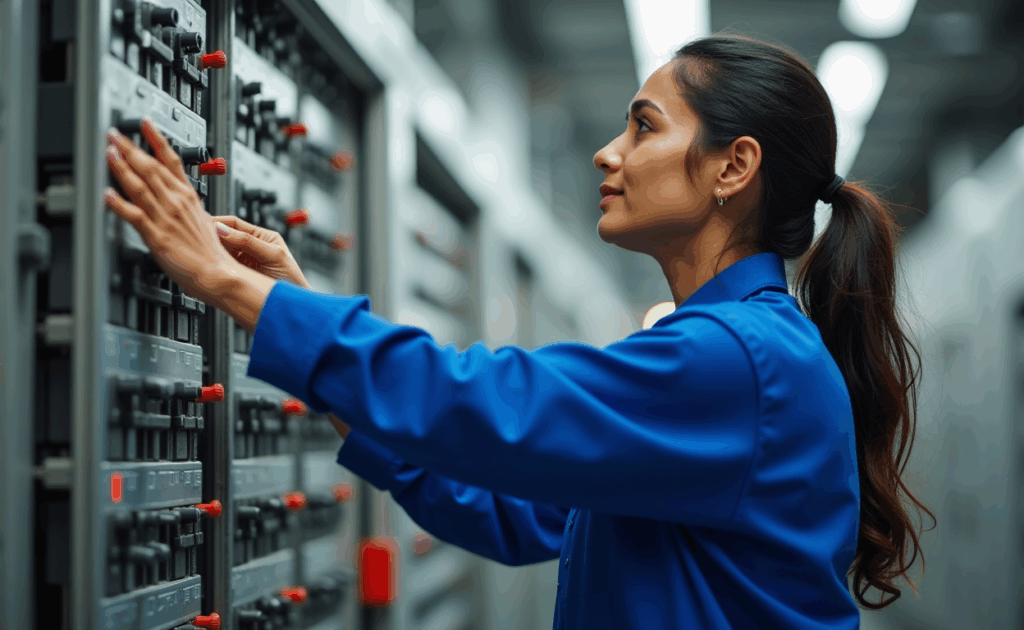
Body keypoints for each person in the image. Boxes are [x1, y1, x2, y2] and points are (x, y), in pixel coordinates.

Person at [103, 32, 933, 630]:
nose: (610, 153)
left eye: (644, 126)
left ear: (732, 167)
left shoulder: (739, 360)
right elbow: (503, 512)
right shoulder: (738, 352)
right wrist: (294, 311)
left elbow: (485, 398)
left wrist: (232, 288)